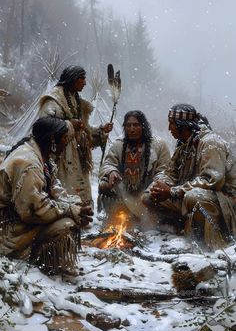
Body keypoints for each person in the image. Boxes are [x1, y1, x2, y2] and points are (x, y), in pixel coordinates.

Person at [0, 117, 93, 278]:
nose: (66, 142)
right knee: (67, 225)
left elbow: (54, 190)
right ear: (52, 139)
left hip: (19, 219)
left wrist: (77, 205)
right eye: (64, 138)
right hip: (8, 230)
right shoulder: (29, 163)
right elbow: (34, 210)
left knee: (74, 216)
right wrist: (70, 210)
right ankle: (36, 262)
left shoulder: (41, 155)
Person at [142, 103, 236, 250]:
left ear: (183, 125)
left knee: (194, 197)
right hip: (190, 194)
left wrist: (172, 191)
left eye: (172, 123)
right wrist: (159, 187)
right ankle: (175, 228)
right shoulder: (185, 145)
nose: (169, 128)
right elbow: (171, 174)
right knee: (149, 196)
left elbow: (212, 181)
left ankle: (213, 242)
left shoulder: (210, 142)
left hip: (225, 201)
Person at [39, 65, 113, 204]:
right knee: (63, 193)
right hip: (60, 157)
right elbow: (44, 126)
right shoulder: (54, 100)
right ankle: (67, 218)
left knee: (80, 194)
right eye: (82, 79)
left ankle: (80, 216)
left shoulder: (77, 101)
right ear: (72, 79)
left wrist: (101, 131)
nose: (85, 83)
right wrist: (69, 124)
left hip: (78, 156)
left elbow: (86, 131)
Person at [98, 110, 170, 230]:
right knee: (104, 184)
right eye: (128, 125)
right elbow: (108, 163)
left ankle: (152, 222)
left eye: (136, 125)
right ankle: (115, 215)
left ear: (143, 126)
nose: (132, 129)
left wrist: (153, 186)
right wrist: (112, 171)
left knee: (158, 191)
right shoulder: (119, 145)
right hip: (124, 193)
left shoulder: (159, 145)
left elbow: (165, 171)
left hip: (147, 193)